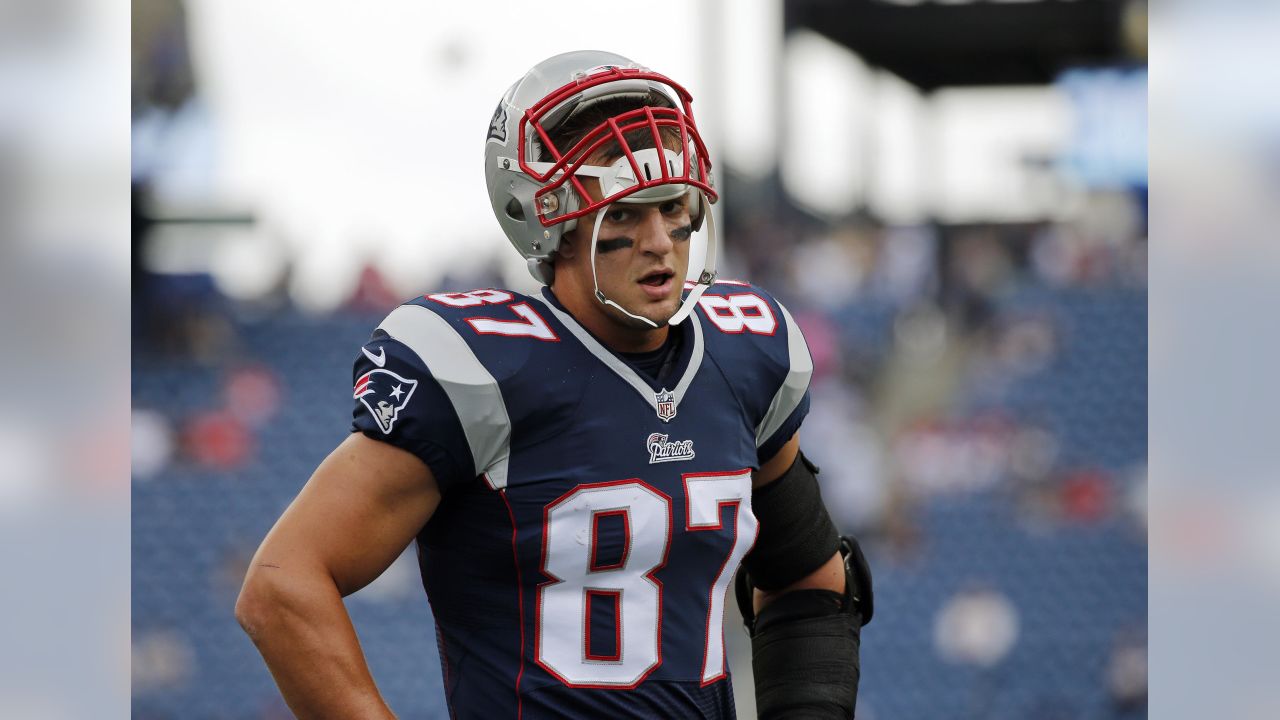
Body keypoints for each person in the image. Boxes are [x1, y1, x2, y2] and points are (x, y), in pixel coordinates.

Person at [235, 50, 871, 719]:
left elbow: (808, 580)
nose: (660, 241)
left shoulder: (743, 356)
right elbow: (281, 586)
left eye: (671, 205)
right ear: (552, 220)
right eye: (624, 214)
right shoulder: (486, 368)